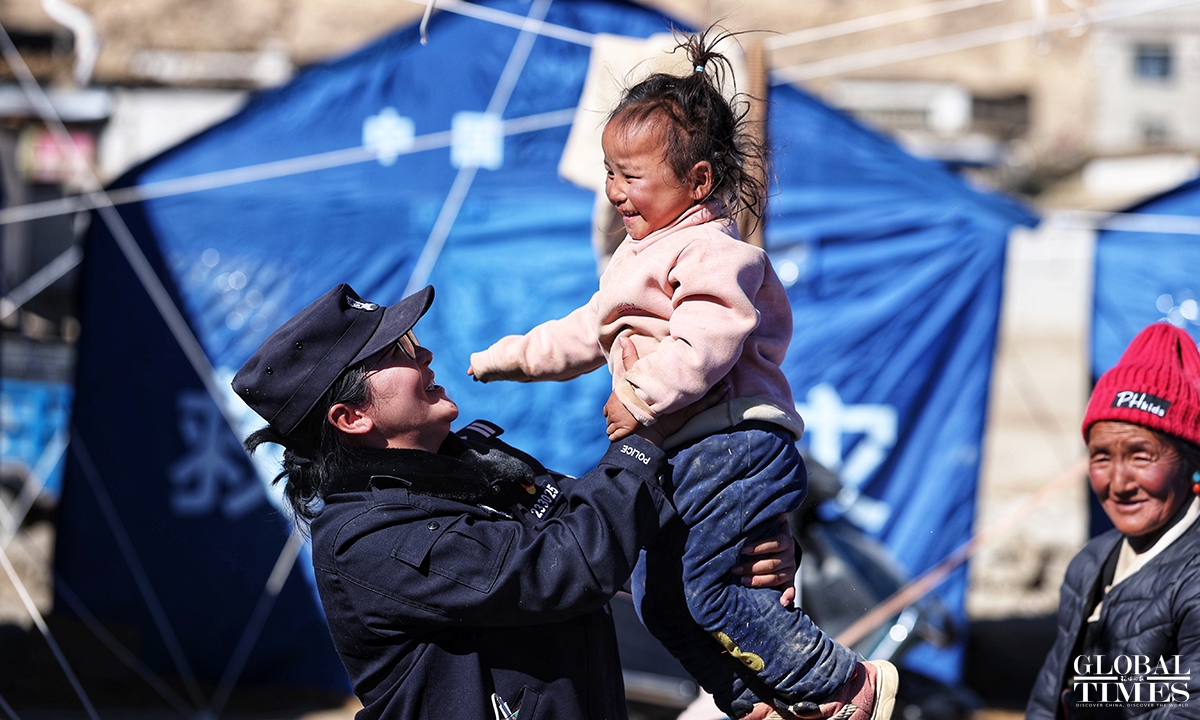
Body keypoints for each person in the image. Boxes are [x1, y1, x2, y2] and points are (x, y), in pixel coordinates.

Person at [467, 30, 895, 720]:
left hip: (732, 447)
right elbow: (584, 333)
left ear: (697, 181)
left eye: (631, 176)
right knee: (658, 603)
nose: (615, 191)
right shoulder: (634, 258)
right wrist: (506, 358)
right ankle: (747, 699)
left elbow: (709, 335)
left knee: (713, 591)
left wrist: (638, 396)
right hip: (684, 454)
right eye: (610, 173)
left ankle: (841, 683)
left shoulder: (711, 250)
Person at [231, 283, 800, 720]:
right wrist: (645, 434)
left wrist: (735, 545)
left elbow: (614, 527)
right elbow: (569, 565)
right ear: (351, 417)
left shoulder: (473, 462)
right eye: (397, 352)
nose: (424, 354)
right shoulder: (367, 539)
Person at [1027, 322, 1200, 720]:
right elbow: (1049, 696)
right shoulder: (1092, 562)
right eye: (1102, 456)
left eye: (1141, 455)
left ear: (1192, 464)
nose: (1119, 484)